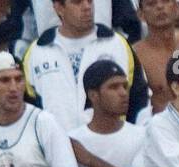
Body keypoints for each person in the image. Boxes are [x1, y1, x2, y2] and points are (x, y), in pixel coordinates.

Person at [22, 0, 148, 133]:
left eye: (89, 1)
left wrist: (132, 137)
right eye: (77, 2)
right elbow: (29, 108)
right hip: (55, 147)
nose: (87, 7)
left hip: (113, 145)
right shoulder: (36, 52)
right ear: (59, 8)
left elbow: (139, 98)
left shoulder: (117, 45)